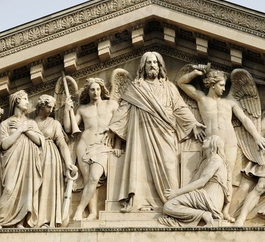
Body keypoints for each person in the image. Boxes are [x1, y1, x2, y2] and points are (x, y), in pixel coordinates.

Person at [108, 51, 205, 212]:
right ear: (143, 67)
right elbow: (123, 109)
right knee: (140, 166)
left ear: (160, 66)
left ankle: (172, 203)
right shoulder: (136, 88)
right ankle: (140, 201)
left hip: (165, 132)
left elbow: (180, 107)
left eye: (155, 63)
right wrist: (111, 128)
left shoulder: (169, 87)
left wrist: (193, 123)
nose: (152, 65)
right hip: (141, 134)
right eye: (149, 63)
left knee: (169, 166)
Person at [177, 67, 265, 222]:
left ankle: (225, 210)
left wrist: (257, 136)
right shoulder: (202, 99)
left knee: (228, 175)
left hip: (230, 140)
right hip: (211, 142)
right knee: (210, 173)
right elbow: (181, 82)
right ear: (212, 84)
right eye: (222, 85)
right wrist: (196, 73)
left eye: (225, 85)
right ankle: (208, 205)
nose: (224, 88)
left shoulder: (229, 103)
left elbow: (245, 119)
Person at [62, 79, 121, 221]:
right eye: (92, 90)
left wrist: (118, 145)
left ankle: (79, 210)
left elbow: (120, 125)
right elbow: (69, 128)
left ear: (102, 90)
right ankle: (93, 212)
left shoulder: (111, 105)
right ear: (87, 92)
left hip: (103, 145)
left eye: (98, 89)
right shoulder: (82, 109)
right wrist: (66, 109)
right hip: (84, 146)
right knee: (88, 179)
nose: (95, 92)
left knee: (94, 177)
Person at [0, 90, 44, 229]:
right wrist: (18, 131)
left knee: (26, 191)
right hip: (12, 161)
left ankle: (20, 222)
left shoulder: (31, 123)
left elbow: (40, 140)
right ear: (17, 101)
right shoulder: (5, 124)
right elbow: (4, 144)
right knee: (9, 189)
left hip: (29, 161)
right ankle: (1, 221)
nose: (28, 102)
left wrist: (24, 129)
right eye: (25, 99)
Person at [160, 135, 230, 227]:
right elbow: (194, 182)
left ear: (213, 143)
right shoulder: (205, 161)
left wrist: (176, 193)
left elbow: (201, 182)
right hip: (202, 196)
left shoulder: (216, 160)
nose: (204, 140)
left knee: (168, 206)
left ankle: (204, 214)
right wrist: (179, 194)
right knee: (170, 205)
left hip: (210, 199)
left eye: (208, 139)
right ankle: (203, 214)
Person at [35, 94, 78, 227]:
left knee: (48, 187)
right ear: (42, 105)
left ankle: (46, 220)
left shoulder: (55, 124)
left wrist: (68, 162)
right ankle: (32, 219)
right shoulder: (30, 123)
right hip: (33, 157)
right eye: (49, 107)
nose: (51, 110)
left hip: (50, 158)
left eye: (53, 108)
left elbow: (62, 144)